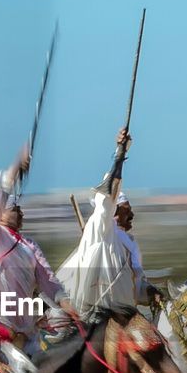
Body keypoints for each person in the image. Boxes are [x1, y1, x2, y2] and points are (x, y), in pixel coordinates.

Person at [0, 143, 76, 350]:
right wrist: (14, 169)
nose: (21, 214)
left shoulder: (29, 245)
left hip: (25, 330)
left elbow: (48, 281)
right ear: (1, 213)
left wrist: (66, 304)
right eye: (15, 209)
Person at [59, 128, 160, 315]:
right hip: (92, 316)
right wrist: (120, 154)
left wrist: (151, 292)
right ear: (115, 210)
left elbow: (133, 289)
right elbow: (107, 198)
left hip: (123, 317)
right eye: (126, 209)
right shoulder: (101, 226)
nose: (132, 215)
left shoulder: (130, 244)